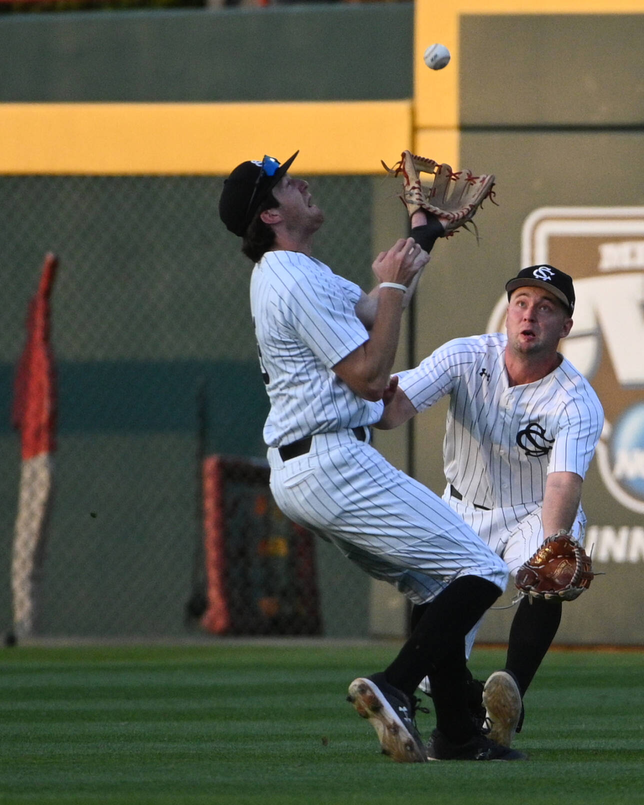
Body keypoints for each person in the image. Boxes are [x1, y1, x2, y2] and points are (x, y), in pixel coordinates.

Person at [218, 151, 525, 762]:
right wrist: (388, 286)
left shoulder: (300, 272)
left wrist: (421, 240)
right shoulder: (291, 277)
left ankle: (459, 733)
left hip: (314, 463)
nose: (303, 183)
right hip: (331, 459)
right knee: (483, 569)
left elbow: (370, 312)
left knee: (438, 587)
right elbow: (367, 374)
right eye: (286, 184)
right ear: (272, 213)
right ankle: (394, 685)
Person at [376, 263, 605, 749]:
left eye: (546, 308)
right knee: (437, 644)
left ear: (565, 327)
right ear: (507, 313)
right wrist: (357, 393)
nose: (530, 314)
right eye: (521, 303)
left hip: (532, 509)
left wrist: (554, 545)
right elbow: (394, 410)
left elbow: (562, 483)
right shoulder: (464, 357)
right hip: (459, 509)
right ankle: (462, 713)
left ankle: (511, 694)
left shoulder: (576, 400)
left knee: (550, 572)